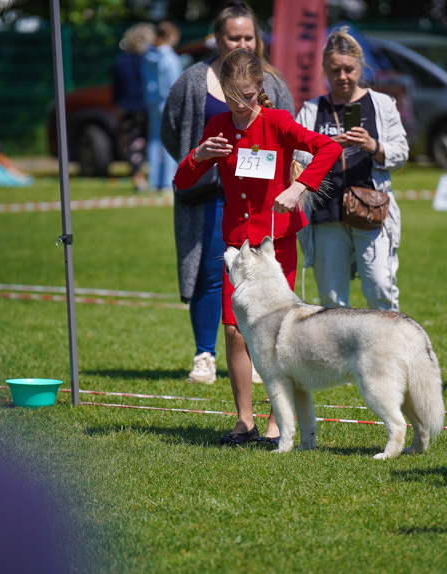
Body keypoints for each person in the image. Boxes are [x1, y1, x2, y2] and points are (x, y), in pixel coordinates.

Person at [174, 48, 342, 445]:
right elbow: (182, 182)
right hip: (237, 245)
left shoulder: (279, 121)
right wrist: (199, 156)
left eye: (249, 97)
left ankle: (275, 422)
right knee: (234, 331)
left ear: (260, 89)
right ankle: (243, 421)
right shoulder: (217, 124)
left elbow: (329, 148)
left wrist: (299, 186)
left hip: (275, 243)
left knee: (276, 332)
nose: (242, 106)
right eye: (234, 99)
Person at [161, 0, 293, 389]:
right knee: (209, 274)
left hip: (258, 201)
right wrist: (200, 161)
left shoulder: (275, 83)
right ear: (217, 38)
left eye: (248, 36)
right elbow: (171, 130)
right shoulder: (191, 81)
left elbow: (290, 136)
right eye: (233, 36)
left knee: (262, 274)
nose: (242, 43)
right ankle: (205, 355)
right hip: (206, 198)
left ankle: (256, 354)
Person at [293, 28, 407, 312]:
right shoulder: (312, 110)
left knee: (380, 287)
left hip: (371, 209)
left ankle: (389, 351)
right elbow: (296, 158)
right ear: (324, 71)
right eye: (334, 70)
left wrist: (372, 145)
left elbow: (401, 153)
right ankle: (342, 355)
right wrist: (328, 148)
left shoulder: (380, 104)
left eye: (348, 69)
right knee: (332, 300)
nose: (342, 77)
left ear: (361, 66)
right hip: (326, 212)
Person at [113, 23, 155, 191]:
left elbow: (117, 87)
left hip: (126, 106)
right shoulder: (149, 60)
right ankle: (155, 176)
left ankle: (138, 177)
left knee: (133, 143)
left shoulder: (120, 61)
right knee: (152, 141)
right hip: (146, 105)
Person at [142, 21, 183, 192]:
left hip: (153, 102)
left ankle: (153, 181)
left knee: (153, 141)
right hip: (168, 102)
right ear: (171, 37)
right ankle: (167, 181)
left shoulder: (148, 56)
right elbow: (176, 83)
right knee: (170, 141)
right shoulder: (170, 58)